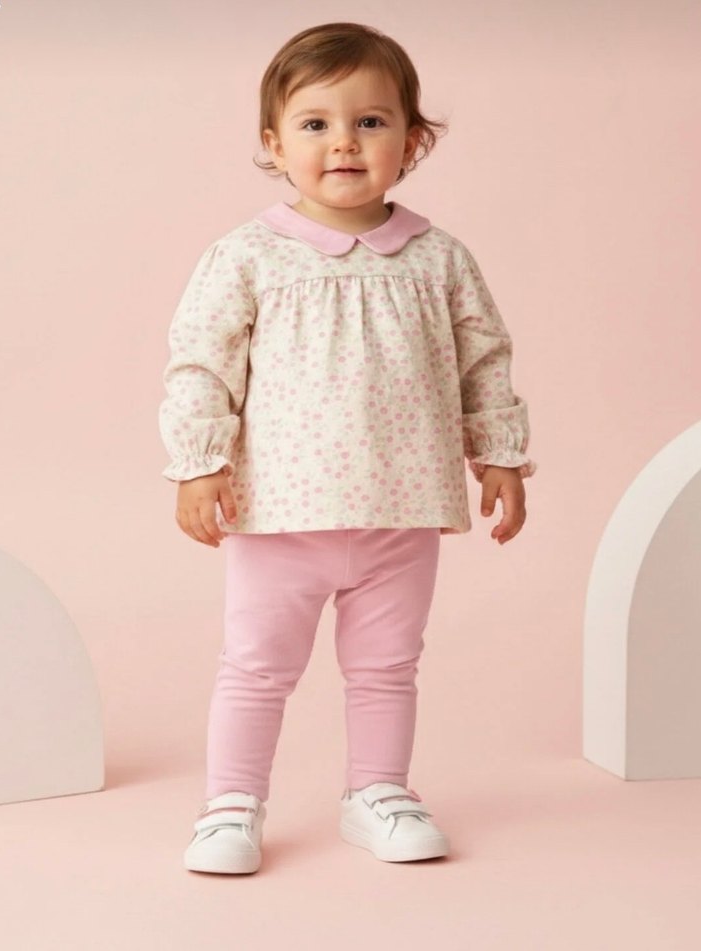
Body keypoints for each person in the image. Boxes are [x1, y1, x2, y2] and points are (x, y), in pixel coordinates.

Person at [159, 21, 537, 875]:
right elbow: (201, 362)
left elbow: (484, 361)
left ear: (412, 140)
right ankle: (230, 804)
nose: (343, 142)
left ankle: (377, 791)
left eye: (370, 121)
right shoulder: (247, 256)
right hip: (280, 512)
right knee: (255, 666)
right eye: (315, 123)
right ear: (274, 143)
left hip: (401, 510)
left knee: (386, 667)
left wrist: (499, 454)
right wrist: (199, 461)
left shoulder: (439, 258)